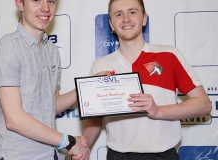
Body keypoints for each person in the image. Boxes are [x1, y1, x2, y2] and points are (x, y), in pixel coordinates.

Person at [72, 0, 212, 159]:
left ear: (144, 18)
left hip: (163, 155)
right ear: (111, 24)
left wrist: (158, 111)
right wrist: (85, 142)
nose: (126, 18)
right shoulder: (100, 66)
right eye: (119, 14)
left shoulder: (169, 55)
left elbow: (203, 104)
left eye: (132, 12)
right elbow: (95, 119)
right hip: (118, 156)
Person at [0, 0, 90, 159]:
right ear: (20, 4)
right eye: (36, 0)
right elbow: (14, 119)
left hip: (50, 155)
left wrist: (87, 88)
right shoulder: (7, 47)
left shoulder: (51, 50)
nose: (46, 8)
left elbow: (51, 106)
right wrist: (68, 142)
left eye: (51, 1)